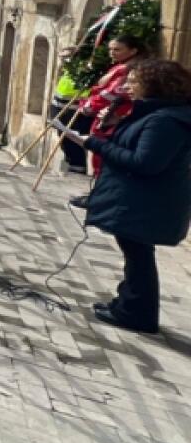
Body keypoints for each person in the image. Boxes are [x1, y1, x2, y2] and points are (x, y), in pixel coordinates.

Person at [54, 59, 191, 334]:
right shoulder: (155, 114)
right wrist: (114, 125)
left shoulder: (166, 121)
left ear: (154, 85)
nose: (128, 86)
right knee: (136, 254)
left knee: (139, 255)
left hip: (146, 201)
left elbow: (145, 162)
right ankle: (128, 304)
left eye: (134, 81)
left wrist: (94, 144)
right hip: (141, 199)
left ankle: (137, 312)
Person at [73, 36, 146, 203]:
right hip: (108, 115)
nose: (112, 53)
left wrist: (87, 107)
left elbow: (112, 93)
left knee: (103, 158)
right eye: (110, 49)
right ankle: (98, 194)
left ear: (133, 50)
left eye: (117, 49)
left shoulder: (128, 69)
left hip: (114, 117)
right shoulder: (118, 66)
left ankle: (100, 197)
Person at [49, 51, 92, 175]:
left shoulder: (85, 72)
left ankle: (77, 168)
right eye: (62, 57)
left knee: (74, 141)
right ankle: (71, 163)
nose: (63, 60)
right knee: (64, 140)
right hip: (59, 108)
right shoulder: (67, 70)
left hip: (74, 111)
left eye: (66, 57)